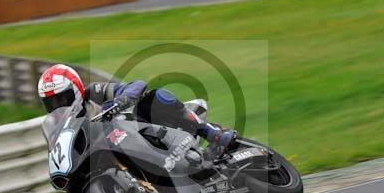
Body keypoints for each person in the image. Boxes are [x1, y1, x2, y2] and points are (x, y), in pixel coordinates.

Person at [37, 64, 237, 150]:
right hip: (107, 154)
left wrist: (121, 100)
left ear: (76, 88)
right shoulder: (57, 125)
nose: (58, 105)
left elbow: (137, 85)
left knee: (156, 97)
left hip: (138, 132)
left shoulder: (93, 93)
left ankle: (211, 133)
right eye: (51, 102)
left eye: (62, 98)